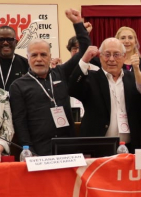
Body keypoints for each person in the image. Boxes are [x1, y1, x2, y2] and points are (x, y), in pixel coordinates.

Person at [9, 9, 90, 156]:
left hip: (69, 148)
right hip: (40, 151)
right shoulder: (18, 86)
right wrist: (28, 150)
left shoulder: (61, 73)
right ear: (28, 58)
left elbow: (84, 49)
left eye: (43, 54)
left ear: (50, 56)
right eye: (34, 55)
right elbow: (20, 123)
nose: (39, 59)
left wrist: (78, 24)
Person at [68, 40, 141, 153]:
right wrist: (84, 60)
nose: (112, 59)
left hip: (130, 147)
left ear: (124, 57)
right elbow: (72, 89)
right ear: (100, 57)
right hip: (97, 149)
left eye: (116, 54)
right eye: (107, 54)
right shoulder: (90, 79)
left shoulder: (135, 80)